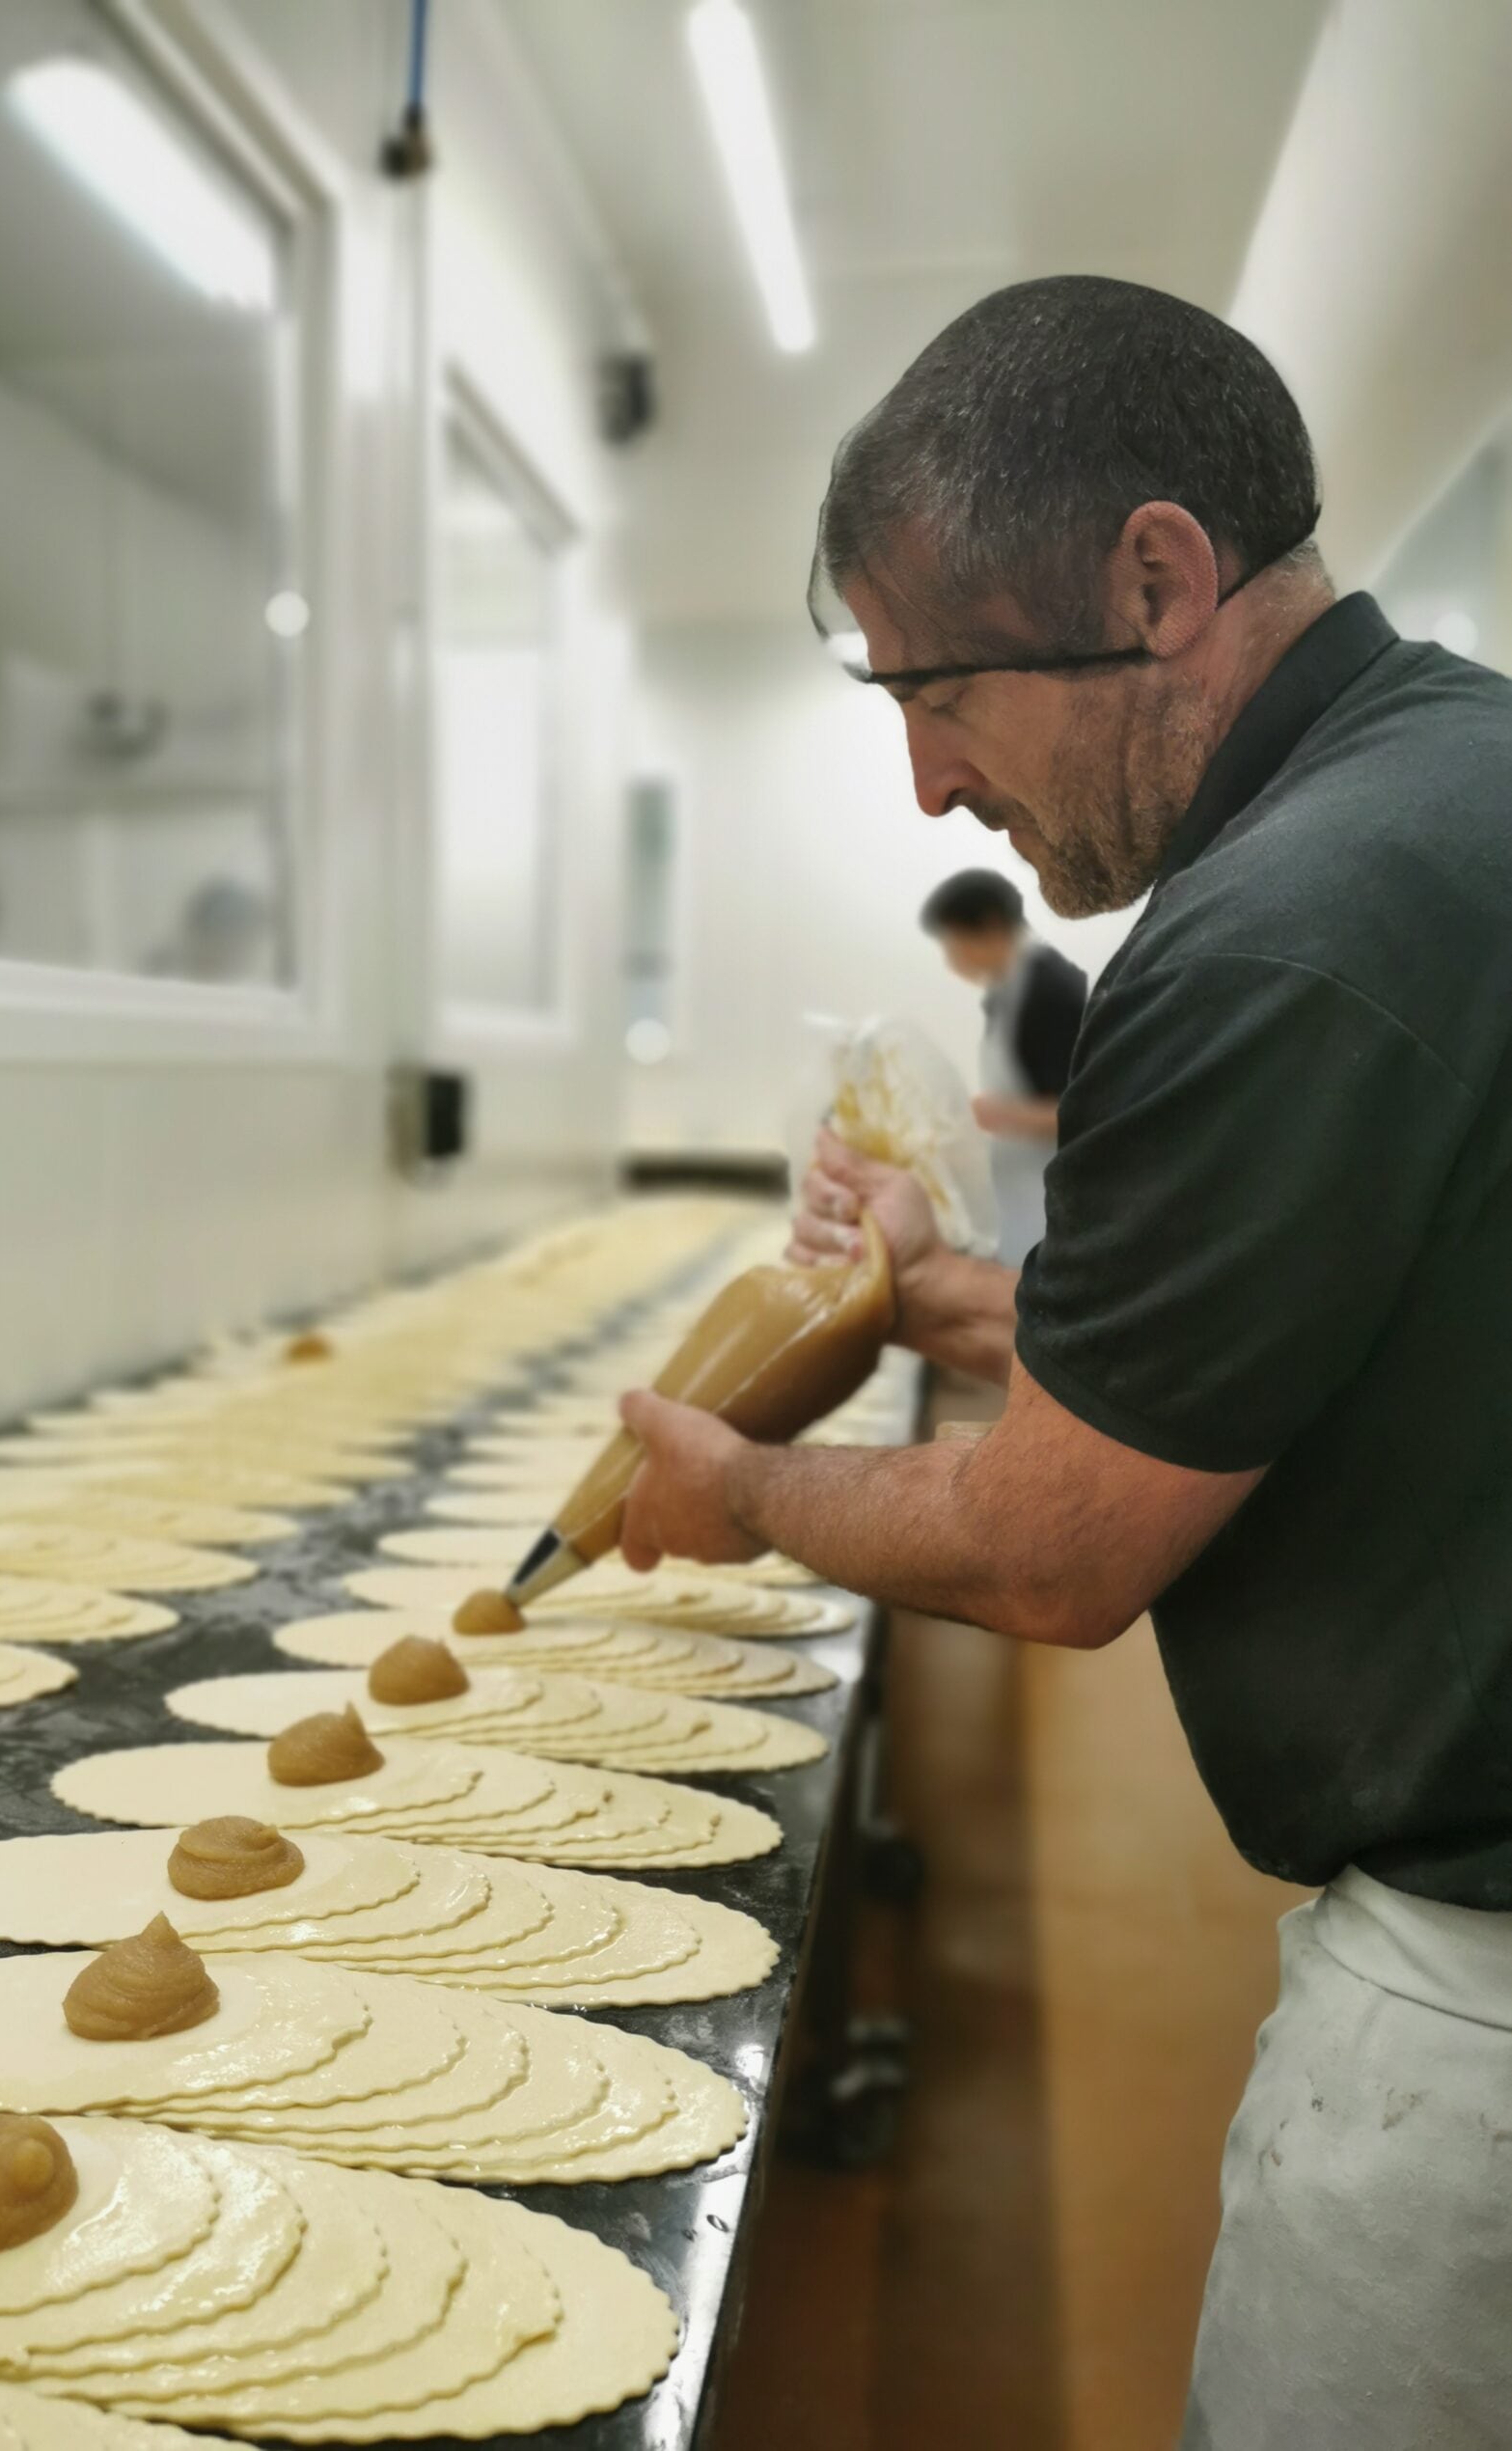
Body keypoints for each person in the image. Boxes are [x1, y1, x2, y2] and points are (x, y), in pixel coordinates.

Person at [612, 274, 1512, 2449]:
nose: (928, 784)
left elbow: (1054, 1549)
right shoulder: (1446, 781)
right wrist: (945, 1299)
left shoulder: (1281, 926)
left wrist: (726, 1485)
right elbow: (1299, 1344)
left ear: (1153, 577)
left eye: (937, 690)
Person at [919, 867, 1086, 1261]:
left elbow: (1084, 1113)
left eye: (953, 943)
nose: (952, 960)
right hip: (1018, 1195)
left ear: (991, 926)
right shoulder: (1006, 990)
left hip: (1050, 1202)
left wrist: (995, 1115)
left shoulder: (1050, 989)